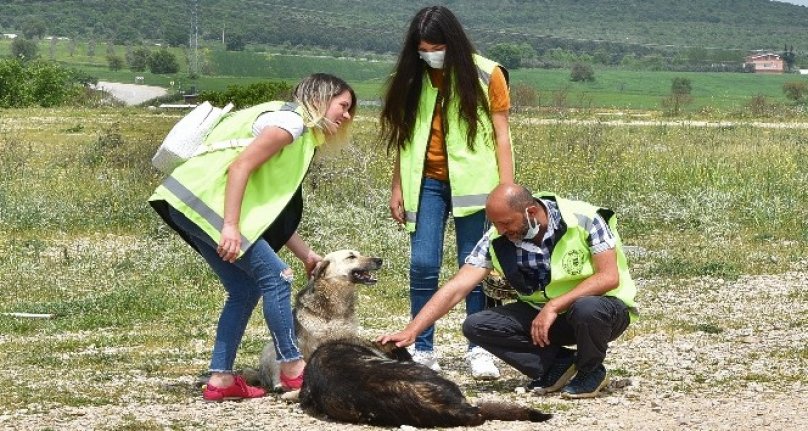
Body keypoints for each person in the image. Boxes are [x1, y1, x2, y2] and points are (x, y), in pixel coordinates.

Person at [149, 73, 356, 401]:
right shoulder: (291, 125)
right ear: (320, 98)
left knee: (244, 289)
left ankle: (220, 380)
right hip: (206, 204)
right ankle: (292, 369)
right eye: (343, 106)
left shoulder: (295, 131)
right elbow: (239, 168)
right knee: (277, 277)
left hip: (185, 202)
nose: (346, 116)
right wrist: (230, 226)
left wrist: (306, 254)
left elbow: (266, 211)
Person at [379, 183, 638, 399]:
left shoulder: (585, 218)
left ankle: (590, 370)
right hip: (546, 319)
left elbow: (608, 277)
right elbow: (458, 286)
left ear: (531, 212)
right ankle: (558, 364)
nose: (501, 231)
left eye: (505, 223)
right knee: (477, 325)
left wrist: (554, 305)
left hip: (601, 312)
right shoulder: (497, 236)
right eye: (496, 224)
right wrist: (413, 330)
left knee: (586, 307)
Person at [379, 5, 513, 379]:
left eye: (435, 47)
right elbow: (404, 138)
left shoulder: (489, 74)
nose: (429, 54)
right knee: (422, 265)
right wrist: (397, 186)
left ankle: (480, 349)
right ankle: (422, 349)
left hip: (476, 187)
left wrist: (507, 191)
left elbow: (502, 136)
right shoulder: (411, 76)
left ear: (452, 43)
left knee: (475, 268)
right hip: (425, 184)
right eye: (422, 48)